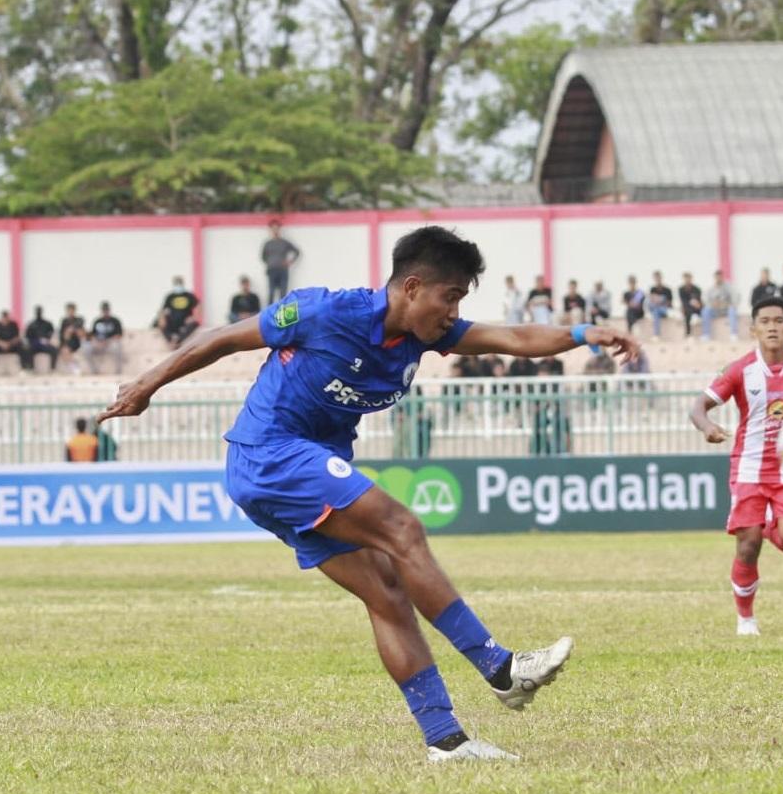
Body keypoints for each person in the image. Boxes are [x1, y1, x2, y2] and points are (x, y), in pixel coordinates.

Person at [97, 225, 641, 762]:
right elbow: (219, 339)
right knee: (403, 530)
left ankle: (446, 741)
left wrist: (582, 334)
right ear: (410, 287)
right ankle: (500, 667)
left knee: (387, 590)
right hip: (272, 451)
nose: (453, 313)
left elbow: (515, 339)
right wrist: (146, 385)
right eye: (448, 297)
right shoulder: (323, 312)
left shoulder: (426, 335)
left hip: (283, 471)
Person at [688, 296, 783, 637]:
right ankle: (746, 619)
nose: (772, 327)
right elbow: (698, 407)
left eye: (778, 320)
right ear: (753, 329)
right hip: (749, 467)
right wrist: (708, 428)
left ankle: (768, 525)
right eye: (764, 321)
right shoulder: (740, 370)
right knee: (748, 545)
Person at [261, 219, 301, 303]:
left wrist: (289, 262)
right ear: (270, 230)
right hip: (272, 270)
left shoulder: (284, 242)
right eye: (273, 228)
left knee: (283, 293)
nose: (275, 230)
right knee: (271, 292)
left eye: (277, 228)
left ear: (279, 229)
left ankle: (282, 312)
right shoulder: (267, 243)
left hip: (282, 270)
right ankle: (270, 313)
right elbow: (263, 256)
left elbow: (297, 252)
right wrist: (270, 262)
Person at [156, 277, 200, 349]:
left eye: (179, 284)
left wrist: (194, 317)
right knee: (161, 325)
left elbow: (198, 306)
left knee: (194, 324)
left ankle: (177, 340)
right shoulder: (170, 296)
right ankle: (171, 340)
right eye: (177, 284)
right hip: (173, 320)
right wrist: (162, 319)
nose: (178, 286)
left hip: (185, 321)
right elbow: (162, 310)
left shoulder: (189, 295)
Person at [0, 310, 30, 374]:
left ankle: (23, 369)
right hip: (1, 346)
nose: (5, 320)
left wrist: (9, 343)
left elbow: (17, 337)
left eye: (6, 318)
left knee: (21, 347)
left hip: (12, 345)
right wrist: (2, 343)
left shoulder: (13, 324)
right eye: (3, 318)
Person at [89, 301, 125, 374]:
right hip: (98, 344)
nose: (105, 312)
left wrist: (108, 341)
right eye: (103, 310)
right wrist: (97, 342)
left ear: (109, 310)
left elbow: (119, 335)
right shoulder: (97, 321)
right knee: (86, 347)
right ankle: (94, 371)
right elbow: (92, 335)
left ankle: (118, 372)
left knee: (117, 346)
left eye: (106, 310)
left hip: (110, 344)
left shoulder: (115, 321)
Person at [703, 270, 737, 339]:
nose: (718, 279)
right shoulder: (711, 289)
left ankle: (733, 334)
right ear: (714, 278)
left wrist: (726, 304)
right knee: (706, 311)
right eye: (717, 277)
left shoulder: (728, 287)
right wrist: (713, 304)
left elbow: (735, 298)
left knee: (732, 310)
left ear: (722, 277)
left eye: (720, 277)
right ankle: (706, 334)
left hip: (725, 309)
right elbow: (706, 300)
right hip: (715, 310)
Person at [25, 305, 59, 372]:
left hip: (45, 344)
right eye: (37, 311)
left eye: (40, 311)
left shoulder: (47, 323)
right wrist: (35, 341)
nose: (39, 313)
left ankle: (53, 368)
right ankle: (30, 368)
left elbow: (51, 332)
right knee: (27, 350)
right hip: (34, 344)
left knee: (54, 350)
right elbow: (28, 336)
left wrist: (47, 339)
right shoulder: (31, 324)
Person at [59, 303, 88, 374]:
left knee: (79, 332)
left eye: (71, 310)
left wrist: (72, 329)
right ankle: (73, 367)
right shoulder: (64, 321)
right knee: (65, 349)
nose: (70, 312)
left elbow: (81, 332)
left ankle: (76, 367)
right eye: (69, 310)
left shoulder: (79, 319)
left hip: (77, 342)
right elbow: (63, 335)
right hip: (68, 343)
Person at [646, 272, 673, 337]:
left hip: (664, 310)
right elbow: (651, 300)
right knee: (654, 309)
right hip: (655, 309)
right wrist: (656, 300)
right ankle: (656, 334)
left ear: (661, 278)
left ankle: (656, 334)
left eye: (659, 278)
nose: (657, 279)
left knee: (662, 298)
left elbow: (670, 304)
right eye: (656, 278)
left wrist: (661, 300)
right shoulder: (652, 289)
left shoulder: (667, 290)